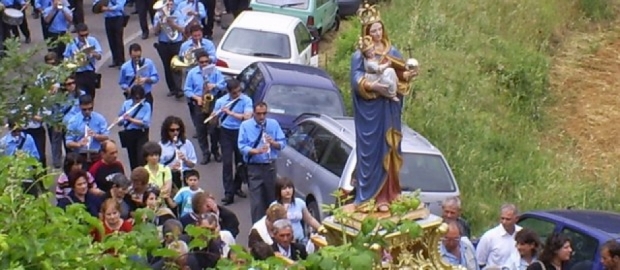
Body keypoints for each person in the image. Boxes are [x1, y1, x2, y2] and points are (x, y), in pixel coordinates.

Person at [349, 2, 418, 212]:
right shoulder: (359, 57)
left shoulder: (392, 51)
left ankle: (390, 193)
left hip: (389, 110)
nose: (378, 34)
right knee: (372, 152)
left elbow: (400, 74)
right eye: (373, 31)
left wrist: (408, 75)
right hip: (371, 112)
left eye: (380, 29)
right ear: (367, 34)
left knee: (391, 148)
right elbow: (356, 80)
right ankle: (370, 196)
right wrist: (373, 86)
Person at [238, 101, 285, 222]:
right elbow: (241, 146)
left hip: (270, 166)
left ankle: (274, 228)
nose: (262, 117)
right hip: (254, 167)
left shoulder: (273, 124)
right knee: (257, 202)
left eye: (264, 113)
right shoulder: (245, 126)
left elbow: (282, 143)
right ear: (254, 113)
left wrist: (273, 143)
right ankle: (258, 230)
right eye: (259, 114)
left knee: (272, 200)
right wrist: (256, 151)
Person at [211, 78, 252, 206]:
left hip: (241, 132)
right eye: (234, 93)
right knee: (227, 163)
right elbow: (214, 120)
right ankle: (229, 193)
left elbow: (247, 117)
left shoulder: (246, 100)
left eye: (239, 91)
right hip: (226, 132)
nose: (238, 94)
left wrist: (230, 112)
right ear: (229, 92)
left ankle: (237, 186)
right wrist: (214, 116)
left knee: (241, 162)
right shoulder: (221, 101)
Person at [183, 50, 225, 164]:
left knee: (214, 129)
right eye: (202, 62)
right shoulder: (192, 73)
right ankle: (205, 153)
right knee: (201, 130)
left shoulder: (215, 71)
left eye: (206, 61)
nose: (205, 64)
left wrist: (214, 85)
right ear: (197, 62)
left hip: (212, 102)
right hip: (199, 102)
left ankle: (215, 151)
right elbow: (186, 89)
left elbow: (223, 84)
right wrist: (196, 98)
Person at [270, 177, 320, 245]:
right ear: (279, 191)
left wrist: (321, 228)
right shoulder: (274, 206)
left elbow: (310, 219)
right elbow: (271, 225)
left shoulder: (299, 202)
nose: (288, 191)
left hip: (300, 240)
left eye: (290, 188)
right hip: (283, 242)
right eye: (284, 189)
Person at [65, 95, 109, 169]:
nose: (87, 111)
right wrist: (79, 144)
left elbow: (106, 136)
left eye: (90, 109)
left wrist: (96, 136)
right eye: (84, 109)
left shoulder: (99, 118)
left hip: (96, 154)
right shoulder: (73, 121)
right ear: (79, 107)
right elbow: (68, 142)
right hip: (80, 155)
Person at [152, 0, 186, 98]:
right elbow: (155, 31)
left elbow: (183, 29)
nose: (169, 6)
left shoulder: (178, 14)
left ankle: (179, 89)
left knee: (177, 65)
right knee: (167, 66)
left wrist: (172, 24)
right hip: (163, 43)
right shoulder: (158, 15)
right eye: (167, 4)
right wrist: (160, 23)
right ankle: (172, 89)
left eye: (171, 4)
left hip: (176, 43)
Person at [63, 23, 103, 99]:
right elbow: (66, 58)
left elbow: (99, 56)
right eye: (82, 35)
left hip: (89, 72)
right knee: (81, 96)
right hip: (77, 73)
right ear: (77, 33)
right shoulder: (71, 43)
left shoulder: (92, 40)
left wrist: (92, 52)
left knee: (90, 96)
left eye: (86, 34)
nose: (84, 37)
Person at [117, 85, 152, 170]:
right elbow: (120, 118)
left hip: (141, 133)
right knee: (132, 157)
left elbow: (145, 123)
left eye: (140, 98)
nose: (138, 100)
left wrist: (131, 119)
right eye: (136, 98)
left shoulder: (146, 105)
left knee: (142, 157)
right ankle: (135, 177)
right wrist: (120, 120)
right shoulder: (126, 104)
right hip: (129, 133)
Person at [476, 204, 521, 269]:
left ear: (516, 219)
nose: (504, 222)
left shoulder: (521, 233)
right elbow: (480, 262)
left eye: (508, 219)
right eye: (502, 218)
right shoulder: (489, 236)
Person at [159, 115, 197, 190]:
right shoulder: (161, 146)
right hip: (171, 176)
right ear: (166, 131)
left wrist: (185, 160)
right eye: (172, 130)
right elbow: (158, 167)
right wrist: (170, 168)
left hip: (186, 176)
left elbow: (192, 164)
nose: (175, 132)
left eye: (177, 130)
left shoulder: (186, 143)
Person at [359, 35, 399, 102]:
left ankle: (395, 84)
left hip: (379, 74)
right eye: (369, 53)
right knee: (389, 83)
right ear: (365, 54)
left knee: (391, 70)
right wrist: (386, 64)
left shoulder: (373, 57)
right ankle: (391, 94)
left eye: (372, 51)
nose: (372, 53)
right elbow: (379, 69)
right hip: (375, 77)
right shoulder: (369, 63)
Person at [119, 43, 160, 107]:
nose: (137, 59)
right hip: (132, 97)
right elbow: (122, 83)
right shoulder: (125, 67)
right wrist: (127, 88)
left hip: (146, 95)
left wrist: (146, 79)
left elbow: (156, 78)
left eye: (139, 56)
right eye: (134, 57)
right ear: (130, 55)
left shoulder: (149, 63)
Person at [95, 0, 126, 68]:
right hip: (108, 18)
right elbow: (96, 4)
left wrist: (109, 9)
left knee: (118, 40)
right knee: (111, 40)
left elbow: (120, 6)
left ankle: (121, 60)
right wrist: (99, 7)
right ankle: (115, 59)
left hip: (118, 17)